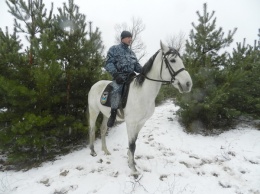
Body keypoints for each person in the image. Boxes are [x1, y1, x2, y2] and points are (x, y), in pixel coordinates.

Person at [104, 30, 142, 127]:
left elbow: (137, 66)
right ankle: (113, 114)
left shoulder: (132, 53)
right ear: (122, 38)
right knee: (116, 90)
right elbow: (108, 63)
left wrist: (145, 71)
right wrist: (116, 75)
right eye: (128, 37)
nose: (130, 39)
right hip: (119, 77)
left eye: (131, 37)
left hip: (131, 76)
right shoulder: (114, 49)